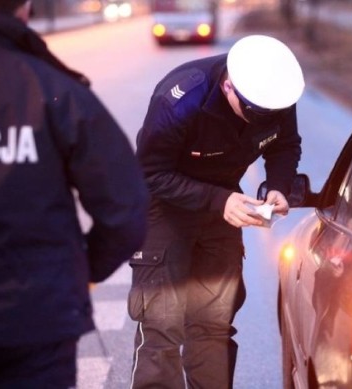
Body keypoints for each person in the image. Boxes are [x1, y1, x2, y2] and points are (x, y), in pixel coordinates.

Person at [0, 1, 150, 388]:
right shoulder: (55, 89)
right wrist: (80, 271)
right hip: (37, 320)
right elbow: (127, 210)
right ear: (25, 10)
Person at [128, 34, 305, 388]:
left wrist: (278, 186)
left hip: (222, 205)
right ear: (228, 87)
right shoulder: (179, 101)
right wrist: (219, 200)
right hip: (164, 205)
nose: (262, 122)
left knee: (213, 323)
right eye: (254, 114)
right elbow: (149, 173)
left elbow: (285, 146)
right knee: (162, 324)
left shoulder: (274, 94)